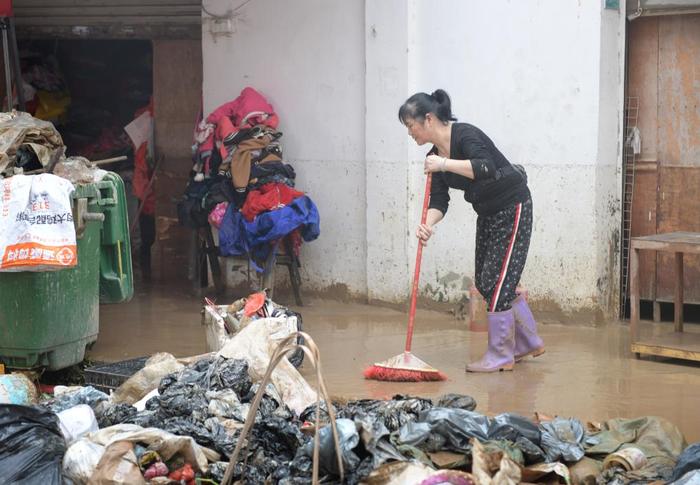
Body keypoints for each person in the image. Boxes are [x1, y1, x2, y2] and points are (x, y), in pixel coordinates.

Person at [398, 89, 544, 373]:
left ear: (428, 119)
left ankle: (501, 354)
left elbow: (485, 167)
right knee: (487, 282)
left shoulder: (465, 135)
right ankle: (527, 341)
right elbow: (439, 201)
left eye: (410, 125)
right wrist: (428, 224)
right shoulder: (433, 158)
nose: (409, 132)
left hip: (512, 205)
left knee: (499, 282)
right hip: (487, 212)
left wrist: (443, 164)